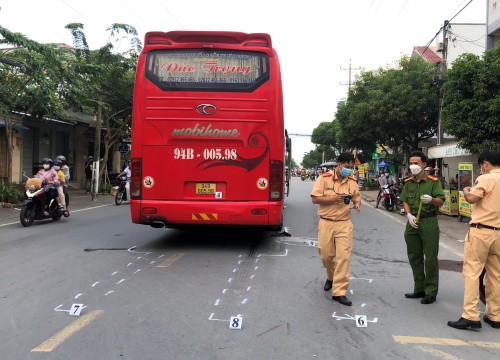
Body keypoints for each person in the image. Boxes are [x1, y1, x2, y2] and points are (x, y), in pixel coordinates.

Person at [448, 150, 500, 330]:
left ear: (486, 164)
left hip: (481, 231)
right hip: (498, 233)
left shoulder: (486, 178)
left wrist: (465, 189)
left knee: (472, 272)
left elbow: (471, 198)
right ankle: (495, 316)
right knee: (495, 275)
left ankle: (470, 315)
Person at [310, 152, 361, 306]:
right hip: (326, 223)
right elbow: (314, 199)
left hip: (344, 223)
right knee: (326, 255)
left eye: (351, 167)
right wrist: (333, 198)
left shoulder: (352, 182)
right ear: (338, 164)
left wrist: (357, 204)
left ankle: (339, 292)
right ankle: (331, 277)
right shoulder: (323, 179)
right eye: (346, 166)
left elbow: (356, 197)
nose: (348, 170)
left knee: (343, 257)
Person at [400, 150, 445, 304]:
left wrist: (431, 199)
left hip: (428, 222)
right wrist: (408, 215)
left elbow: (441, 201)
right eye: (411, 163)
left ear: (424, 165)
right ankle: (419, 288)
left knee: (430, 258)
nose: (413, 166)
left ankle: (430, 291)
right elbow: (405, 199)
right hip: (412, 222)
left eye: (416, 163)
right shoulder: (408, 182)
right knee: (414, 257)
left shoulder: (433, 182)